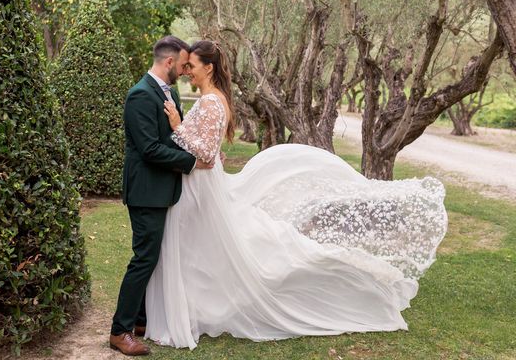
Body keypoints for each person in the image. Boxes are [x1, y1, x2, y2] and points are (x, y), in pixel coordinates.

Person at [145, 40, 448, 350]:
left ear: (207, 68)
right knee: (203, 249)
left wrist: (177, 126)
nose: (186, 72)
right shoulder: (213, 99)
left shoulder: (210, 102)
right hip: (200, 186)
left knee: (207, 248)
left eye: (191, 67)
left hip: (201, 187)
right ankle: (196, 307)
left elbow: (206, 155)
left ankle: (199, 308)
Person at [109, 36, 214, 356]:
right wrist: (193, 163)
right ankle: (119, 330)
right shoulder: (140, 95)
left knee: (152, 256)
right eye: (183, 64)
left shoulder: (164, 92)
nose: (185, 71)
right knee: (144, 258)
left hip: (161, 189)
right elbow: (150, 149)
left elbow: (172, 139)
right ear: (169, 62)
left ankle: (141, 320)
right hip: (145, 190)